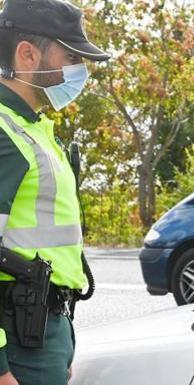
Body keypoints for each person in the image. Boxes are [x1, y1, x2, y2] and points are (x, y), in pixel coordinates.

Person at [0, 0, 110, 384]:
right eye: (70, 56)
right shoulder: (4, 133)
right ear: (27, 54)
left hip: (44, 330)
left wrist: (61, 343)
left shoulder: (33, 128)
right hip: (18, 340)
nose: (79, 71)